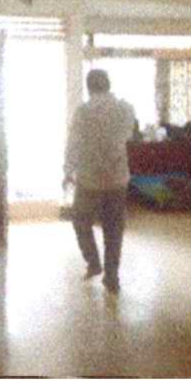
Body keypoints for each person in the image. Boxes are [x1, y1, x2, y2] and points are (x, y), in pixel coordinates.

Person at [63, 69, 135, 293]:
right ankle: (112, 277)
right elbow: (128, 135)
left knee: (80, 220)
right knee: (114, 229)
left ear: (88, 87)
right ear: (108, 84)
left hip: (89, 179)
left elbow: (73, 143)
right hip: (117, 178)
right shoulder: (125, 108)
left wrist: (67, 171)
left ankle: (93, 261)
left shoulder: (83, 112)